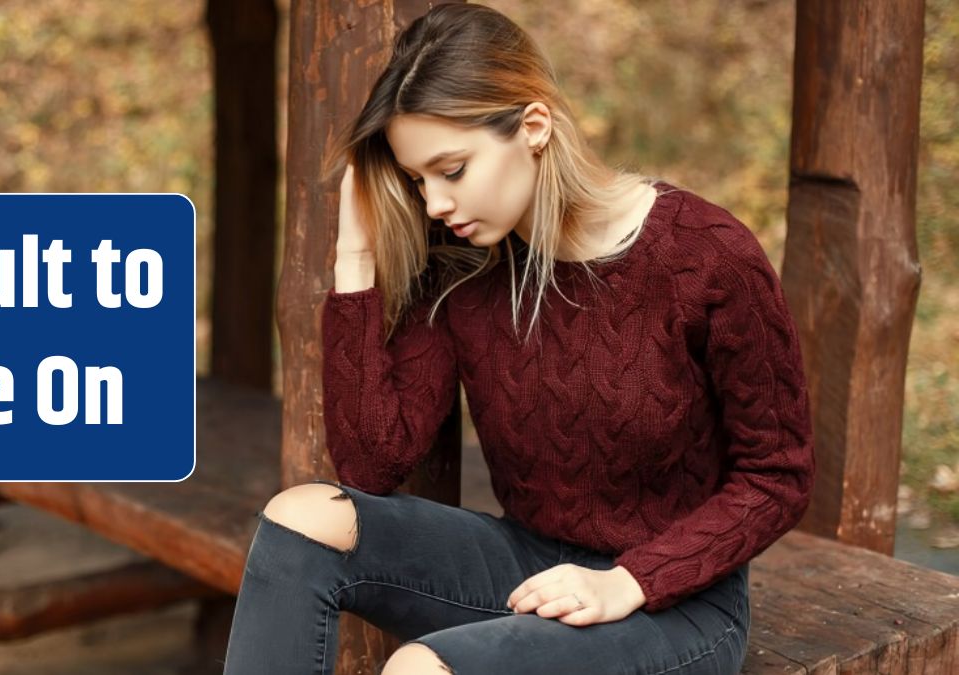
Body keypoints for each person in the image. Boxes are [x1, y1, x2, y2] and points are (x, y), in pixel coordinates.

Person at [223, 3, 814, 673]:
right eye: (418, 180)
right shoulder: (461, 267)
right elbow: (371, 464)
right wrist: (356, 264)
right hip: (532, 566)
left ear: (532, 126)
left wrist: (629, 580)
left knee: (419, 669)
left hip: (678, 607)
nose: (435, 203)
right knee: (304, 517)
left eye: (451, 170)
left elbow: (778, 476)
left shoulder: (708, 257)